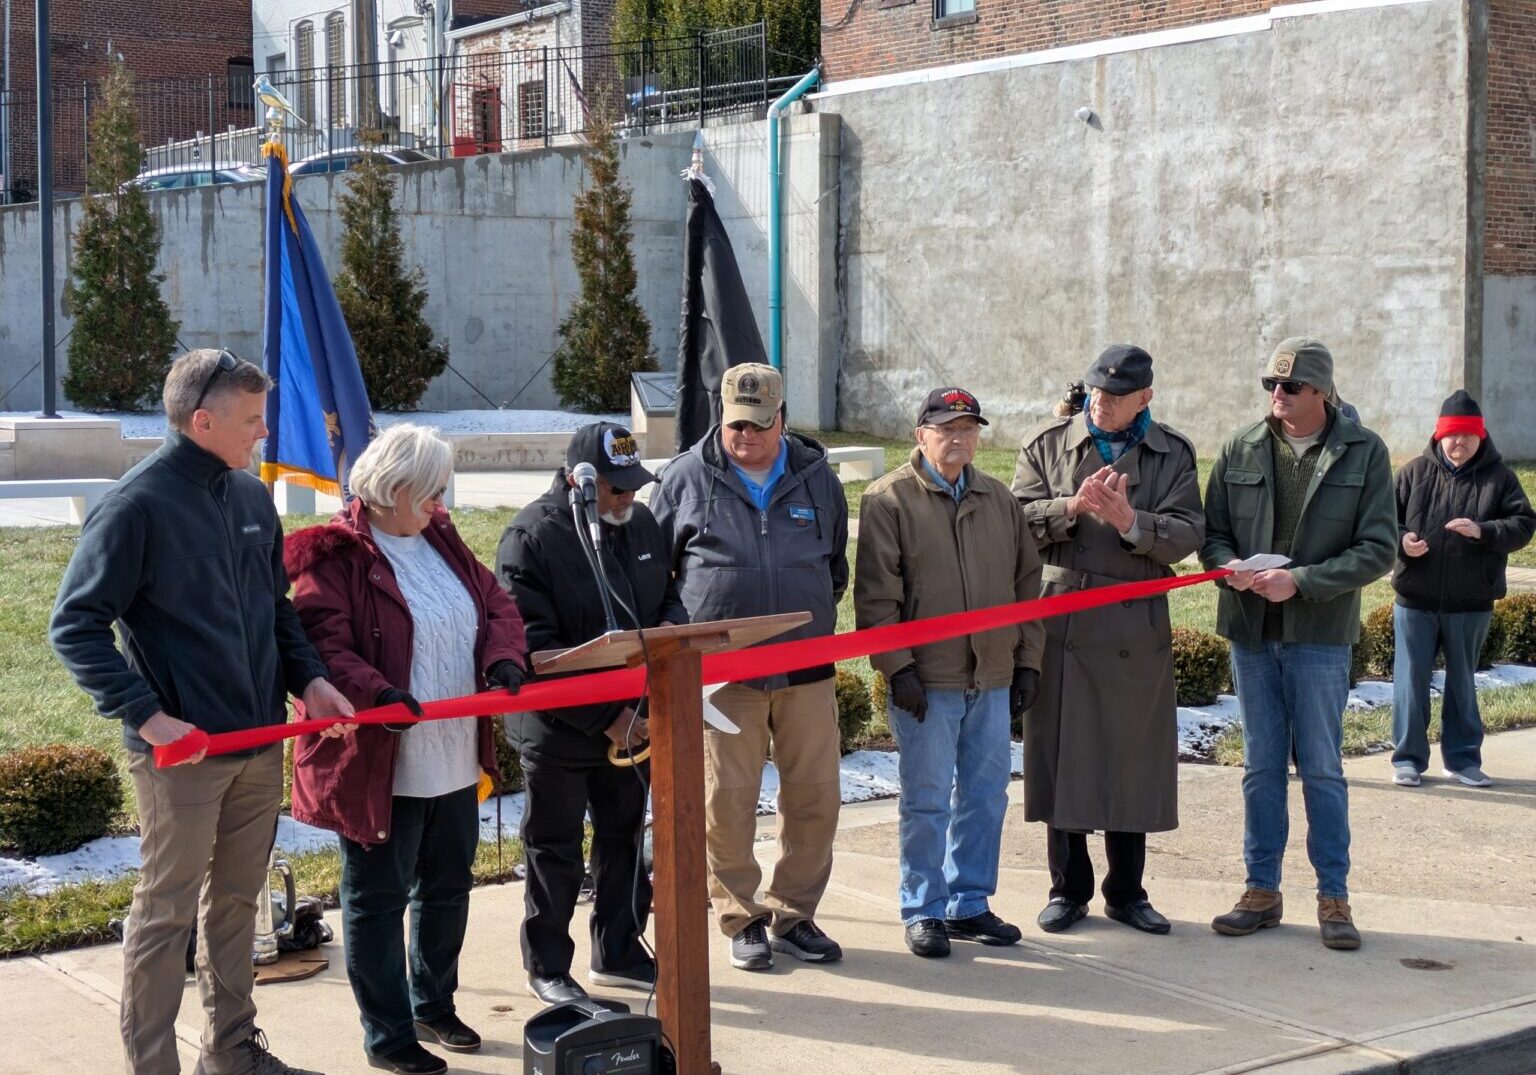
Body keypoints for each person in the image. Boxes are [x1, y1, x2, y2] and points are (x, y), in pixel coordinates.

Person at [50, 348, 355, 1075]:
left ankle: (232, 1052)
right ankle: (153, 1066)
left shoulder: (252, 500)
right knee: (166, 915)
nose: (262, 435)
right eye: (251, 421)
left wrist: (309, 680)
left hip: (258, 744)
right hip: (181, 755)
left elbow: (274, 610)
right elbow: (75, 624)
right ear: (202, 419)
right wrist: (149, 716)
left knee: (238, 904)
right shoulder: (135, 506)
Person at [283, 424, 528, 1075]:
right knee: (378, 898)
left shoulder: (438, 536)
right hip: (379, 764)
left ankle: (433, 1002)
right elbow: (321, 648)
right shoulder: (332, 555)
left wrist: (504, 658)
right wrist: (379, 691)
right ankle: (388, 1034)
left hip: (451, 753)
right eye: (428, 492)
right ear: (393, 490)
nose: (438, 502)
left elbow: (494, 602)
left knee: (448, 885)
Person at [652, 363, 850, 971]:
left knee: (816, 797)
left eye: (760, 424)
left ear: (782, 419)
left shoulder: (818, 479)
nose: (746, 436)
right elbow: (656, 571)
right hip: (721, 678)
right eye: (736, 423)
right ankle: (741, 916)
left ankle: (795, 914)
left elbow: (835, 567)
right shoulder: (684, 478)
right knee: (727, 799)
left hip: (805, 669)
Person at [1201, 337, 1395, 951]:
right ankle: (1261, 891)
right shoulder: (1240, 447)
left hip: (1317, 634)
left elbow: (1378, 549)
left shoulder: (1365, 453)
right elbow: (1213, 533)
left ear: (1322, 393)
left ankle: (1333, 897)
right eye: (1270, 386)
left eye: (1289, 387)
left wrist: (1302, 582)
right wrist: (1227, 564)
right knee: (1261, 768)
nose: (1277, 396)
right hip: (1251, 631)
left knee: (1321, 768)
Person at [1011, 345, 1204, 936]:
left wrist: (1130, 523)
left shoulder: (1172, 452)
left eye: (1117, 396)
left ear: (1146, 397)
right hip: (1064, 618)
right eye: (1096, 391)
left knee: (1130, 760)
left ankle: (1127, 891)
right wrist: (1070, 507)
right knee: (1063, 753)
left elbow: (1191, 530)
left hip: (1133, 621)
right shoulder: (1047, 443)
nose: (1102, 402)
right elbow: (1014, 519)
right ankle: (1068, 889)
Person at [495, 422, 686, 1004]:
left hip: (633, 720)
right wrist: (607, 714)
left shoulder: (641, 522)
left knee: (624, 837)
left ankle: (620, 949)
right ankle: (548, 965)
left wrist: (674, 637)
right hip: (561, 727)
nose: (628, 499)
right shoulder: (532, 536)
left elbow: (666, 595)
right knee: (554, 850)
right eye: (615, 489)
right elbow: (532, 644)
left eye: (634, 487)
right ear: (579, 481)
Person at [855, 387, 1044, 958]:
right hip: (926, 683)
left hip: (990, 677)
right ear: (921, 435)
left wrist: (1027, 662)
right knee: (927, 799)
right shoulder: (888, 500)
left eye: (968, 428)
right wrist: (897, 668)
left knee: (986, 796)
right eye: (946, 428)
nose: (958, 438)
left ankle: (969, 902)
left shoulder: (999, 499)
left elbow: (1026, 590)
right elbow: (875, 600)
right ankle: (923, 908)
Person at [1389, 391, 1535, 789]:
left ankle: (1463, 760)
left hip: (1472, 601)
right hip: (1414, 599)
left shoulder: (1500, 479)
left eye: (1467, 435)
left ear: (1480, 436)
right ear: (1438, 436)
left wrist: (1484, 531)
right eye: (1451, 435)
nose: (1459, 443)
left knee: (1462, 682)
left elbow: (1524, 524)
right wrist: (1402, 541)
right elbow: (1381, 520)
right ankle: (1407, 759)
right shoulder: (1412, 473)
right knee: (1410, 680)